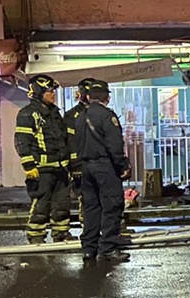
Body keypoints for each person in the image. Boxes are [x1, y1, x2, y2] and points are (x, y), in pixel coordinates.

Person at [75, 80, 131, 262]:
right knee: (112, 206)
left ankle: (88, 249)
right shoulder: (107, 116)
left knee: (91, 208)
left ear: (89, 97)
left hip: (86, 167)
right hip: (105, 167)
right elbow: (114, 145)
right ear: (107, 97)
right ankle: (107, 248)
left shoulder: (80, 117)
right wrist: (123, 165)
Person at [14, 74, 72, 244]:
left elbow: (62, 139)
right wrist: (29, 165)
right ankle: (36, 235)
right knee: (41, 204)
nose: (53, 94)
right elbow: (21, 141)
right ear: (38, 93)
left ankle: (61, 234)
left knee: (62, 204)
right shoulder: (28, 114)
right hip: (41, 169)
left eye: (53, 91)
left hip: (61, 168)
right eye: (48, 91)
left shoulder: (54, 113)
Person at [64, 78, 98, 226]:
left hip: (100, 164)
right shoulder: (72, 116)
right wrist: (75, 165)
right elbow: (70, 142)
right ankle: (88, 228)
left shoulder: (100, 112)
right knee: (86, 198)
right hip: (82, 165)